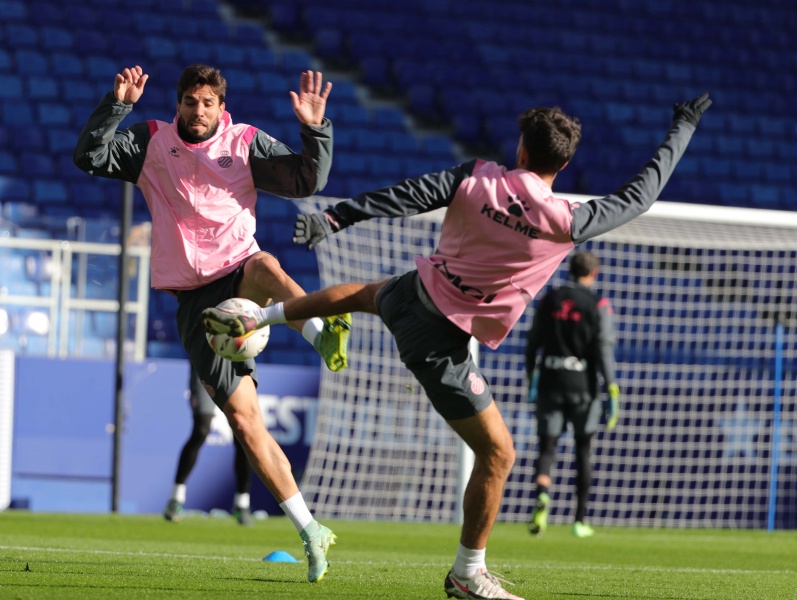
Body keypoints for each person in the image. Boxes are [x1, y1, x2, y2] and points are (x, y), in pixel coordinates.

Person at [203, 93, 712, 600]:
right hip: (441, 339)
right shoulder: (566, 221)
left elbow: (408, 195)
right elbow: (640, 197)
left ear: (521, 149)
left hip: (414, 291)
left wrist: (334, 219)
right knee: (498, 453)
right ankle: (467, 573)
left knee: (365, 295)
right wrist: (682, 127)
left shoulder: (479, 176)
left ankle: (259, 317)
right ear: (565, 163)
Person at [73, 64, 351, 584]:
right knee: (246, 425)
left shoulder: (244, 141)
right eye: (189, 102)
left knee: (266, 264)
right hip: (196, 307)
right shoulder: (151, 140)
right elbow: (89, 156)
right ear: (178, 103)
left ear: (222, 108)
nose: (198, 111)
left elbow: (305, 180)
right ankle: (310, 529)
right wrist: (118, 106)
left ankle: (320, 331)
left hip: (238, 272)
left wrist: (315, 130)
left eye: (207, 103)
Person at [525, 250, 619, 539]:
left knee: (548, 448)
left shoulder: (548, 299)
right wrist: (611, 388)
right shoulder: (597, 303)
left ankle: (542, 494)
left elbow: (532, 343)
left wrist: (532, 378)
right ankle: (579, 520)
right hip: (583, 388)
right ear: (594, 273)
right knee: (582, 450)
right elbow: (603, 347)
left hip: (551, 382)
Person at [164, 368, 256, 526]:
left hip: (235, 369)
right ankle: (176, 498)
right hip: (205, 367)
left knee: (242, 436)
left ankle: (242, 503)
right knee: (201, 430)